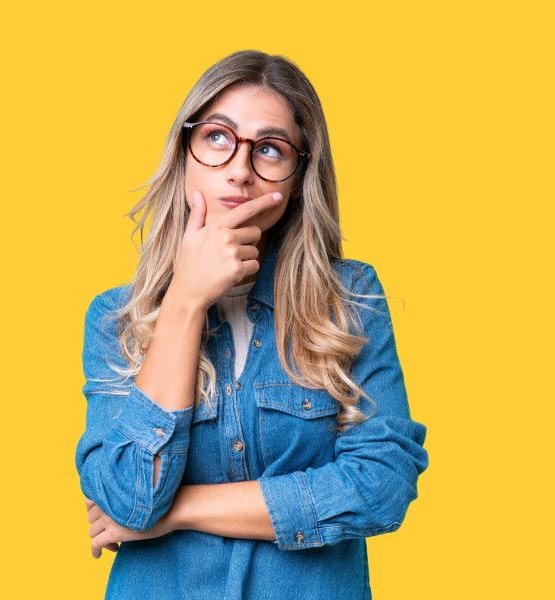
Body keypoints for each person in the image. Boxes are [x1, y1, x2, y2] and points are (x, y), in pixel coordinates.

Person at [75, 50, 428, 600]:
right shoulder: (115, 320)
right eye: (217, 137)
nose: (239, 168)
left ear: (296, 176)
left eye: (269, 149)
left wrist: (179, 512)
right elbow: (129, 498)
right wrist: (185, 302)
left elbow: (380, 487)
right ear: (184, 151)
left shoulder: (349, 299)